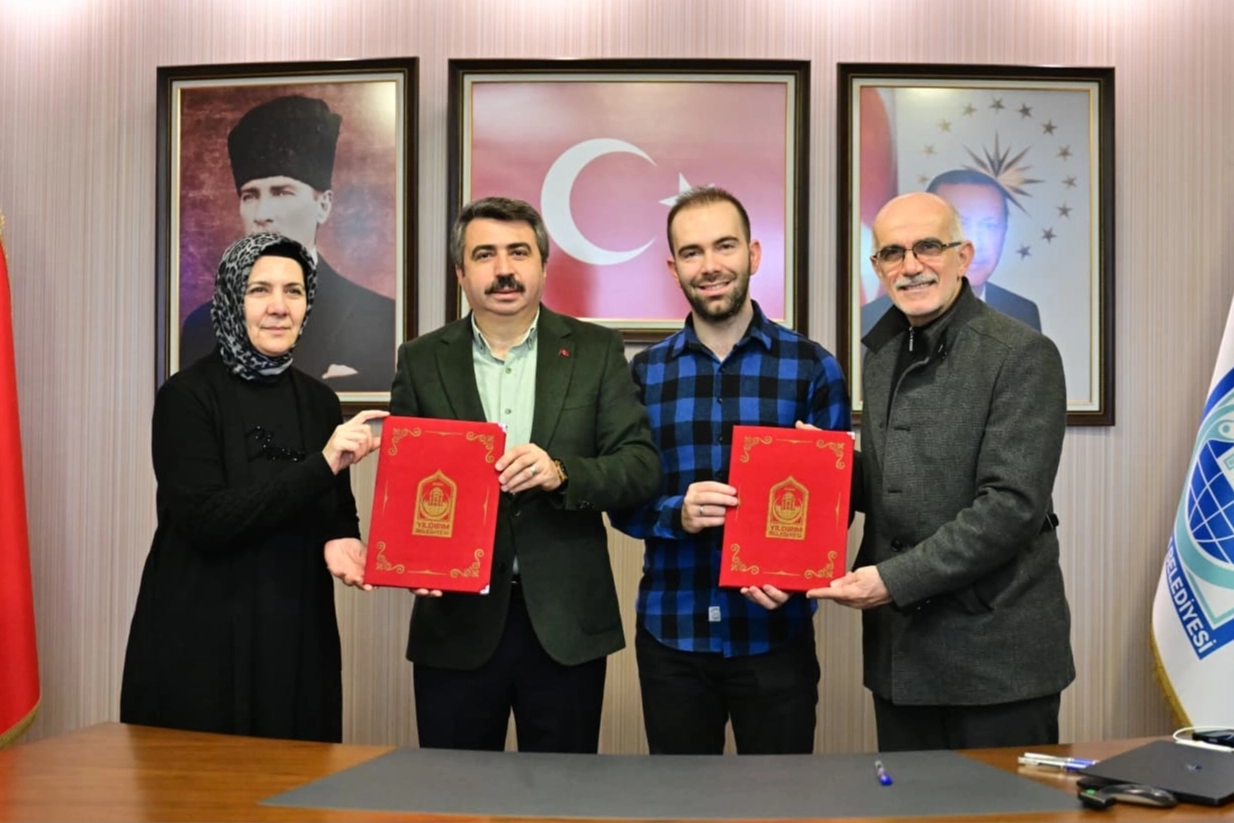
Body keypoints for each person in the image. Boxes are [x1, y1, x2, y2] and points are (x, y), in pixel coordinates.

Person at [389, 196, 661, 754]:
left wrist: (562, 472)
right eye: (484, 254)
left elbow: (639, 467)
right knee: (454, 793)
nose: (504, 269)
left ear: (542, 264)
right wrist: (413, 557)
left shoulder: (595, 351)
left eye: (518, 252)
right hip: (455, 623)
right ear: (461, 272)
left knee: (560, 793)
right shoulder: (420, 359)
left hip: (565, 623)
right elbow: (406, 483)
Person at [813, 191, 1074, 751]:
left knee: (1003, 804)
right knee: (909, 800)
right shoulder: (882, 354)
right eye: (892, 253)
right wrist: (818, 466)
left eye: (928, 246)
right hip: (903, 656)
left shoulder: (1022, 354)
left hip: (996, 659)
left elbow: (1011, 507)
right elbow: (896, 479)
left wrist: (893, 580)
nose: (910, 266)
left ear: (964, 256)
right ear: (878, 267)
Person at [608, 186, 852, 755]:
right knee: (682, 800)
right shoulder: (643, 376)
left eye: (725, 246)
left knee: (780, 798)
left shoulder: (813, 368)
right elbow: (620, 499)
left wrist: (794, 574)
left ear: (754, 254)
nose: (710, 266)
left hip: (775, 635)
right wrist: (677, 514)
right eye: (691, 252)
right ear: (673, 269)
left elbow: (833, 509)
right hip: (673, 632)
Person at [121, 232, 386, 742]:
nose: (279, 307)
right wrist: (321, 464)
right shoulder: (186, 397)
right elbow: (207, 521)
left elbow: (335, 508)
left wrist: (342, 538)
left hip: (296, 632)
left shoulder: (320, 403)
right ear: (230, 299)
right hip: (200, 636)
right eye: (259, 290)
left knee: (301, 780)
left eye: (294, 291)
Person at [179, 94, 397, 392]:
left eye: (281, 192)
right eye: (250, 196)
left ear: (323, 205)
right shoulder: (202, 326)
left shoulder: (380, 318)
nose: (262, 214)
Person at [861, 170, 1041, 336]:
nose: (977, 242)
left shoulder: (1021, 311)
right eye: (961, 225)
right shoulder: (868, 323)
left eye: (989, 226)